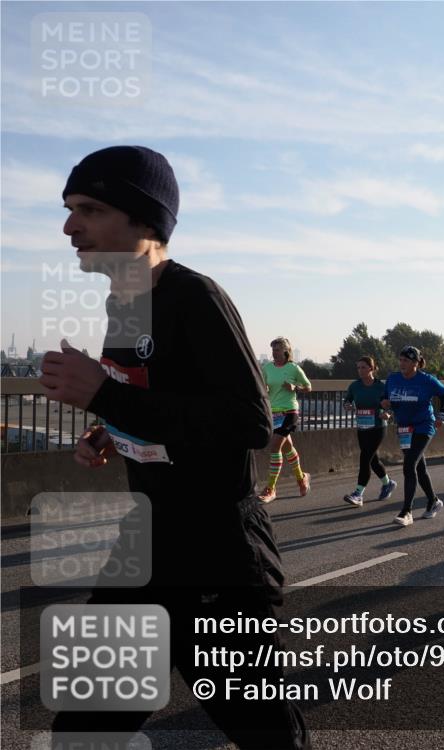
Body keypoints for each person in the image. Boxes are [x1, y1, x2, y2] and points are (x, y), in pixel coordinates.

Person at [41, 146, 309, 748]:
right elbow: (160, 399)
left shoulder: (195, 297)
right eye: (68, 209)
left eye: (88, 209)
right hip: (145, 546)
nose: (69, 226)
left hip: (217, 550)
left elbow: (249, 422)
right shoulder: (123, 302)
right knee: (84, 730)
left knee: (267, 735)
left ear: (144, 220)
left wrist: (107, 398)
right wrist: (110, 430)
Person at [381, 346, 444, 526]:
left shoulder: (426, 380)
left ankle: (407, 511)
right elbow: (386, 400)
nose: (402, 363)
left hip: (424, 425)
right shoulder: (393, 379)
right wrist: (386, 409)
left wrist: (442, 414)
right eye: (401, 360)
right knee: (419, 468)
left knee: (409, 464)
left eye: (406, 360)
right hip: (404, 428)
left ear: (416, 363)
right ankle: (433, 501)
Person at [258, 337, 312, 503]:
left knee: (275, 447)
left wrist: (295, 387)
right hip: (273, 413)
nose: (274, 353)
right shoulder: (266, 368)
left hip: (290, 412)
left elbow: (308, 387)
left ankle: (271, 489)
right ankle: (302, 478)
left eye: (278, 350)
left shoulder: (294, 368)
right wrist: (264, 389)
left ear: (286, 351)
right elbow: (262, 385)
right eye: (273, 349)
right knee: (287, 447)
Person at [342, 356, 397, 506]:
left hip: (378, 427)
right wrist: (347, 405)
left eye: (363, 367)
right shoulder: (355, 386)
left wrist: (388, 413)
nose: (360, 371)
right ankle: (388, 483)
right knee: (372, 460)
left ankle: (358, 494)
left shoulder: (381, 386)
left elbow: (392, 404)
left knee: (365, 457)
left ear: (372, 369)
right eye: (358, 368)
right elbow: (347, 400)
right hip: (362, 427)